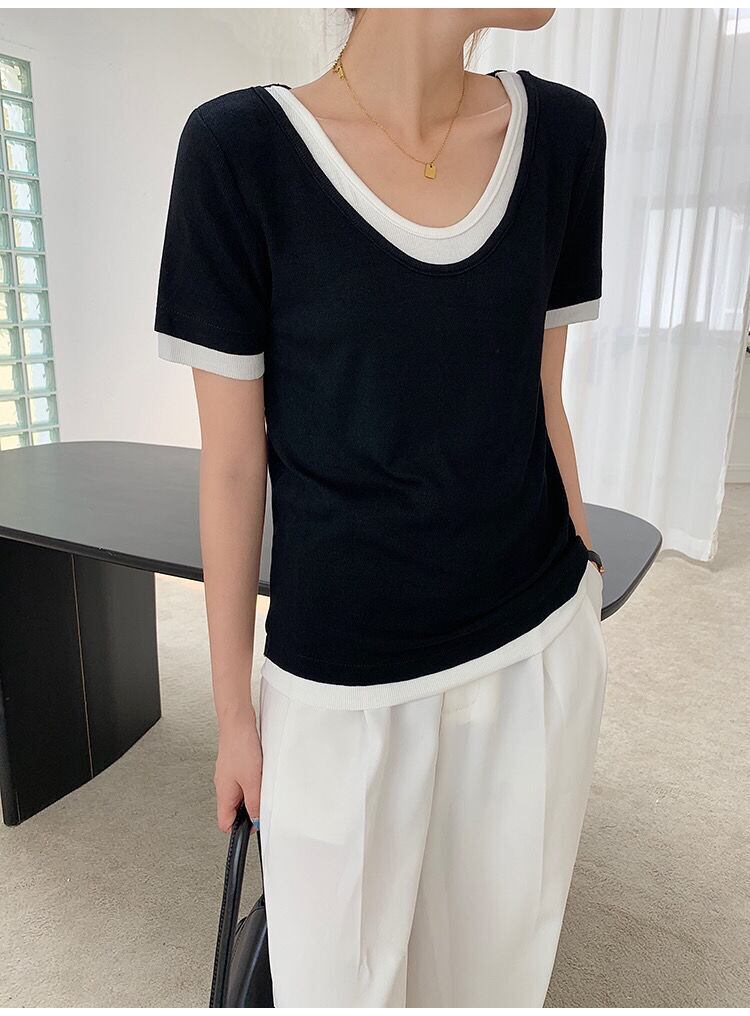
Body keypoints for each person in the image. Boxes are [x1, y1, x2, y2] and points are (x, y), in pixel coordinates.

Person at [154, 7, 608, 1006]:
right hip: (338, 684)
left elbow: (541, 392)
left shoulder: (566, 137)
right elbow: (232, 464)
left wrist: (582, 575)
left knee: (495, 984)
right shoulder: (239, 152)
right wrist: (235, 716)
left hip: (537, 648)